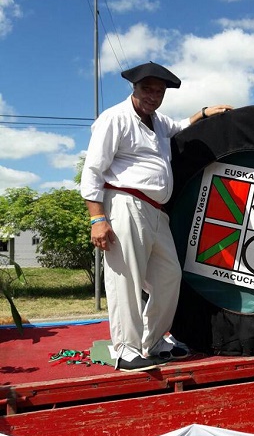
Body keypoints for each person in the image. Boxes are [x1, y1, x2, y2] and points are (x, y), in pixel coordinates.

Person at [80, 62, 233, 372]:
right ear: (134, 88)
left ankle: (152, 341)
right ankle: (125, 349)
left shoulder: (158, 122)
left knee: (168, 277)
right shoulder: (114, 118)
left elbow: (179, 125)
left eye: (159, 92)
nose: (153, 96)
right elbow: (93, 171)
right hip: (124, 203)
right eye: (147, 89)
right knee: (127, 278)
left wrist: (204, 114)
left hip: (156, 210)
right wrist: (98, 218)